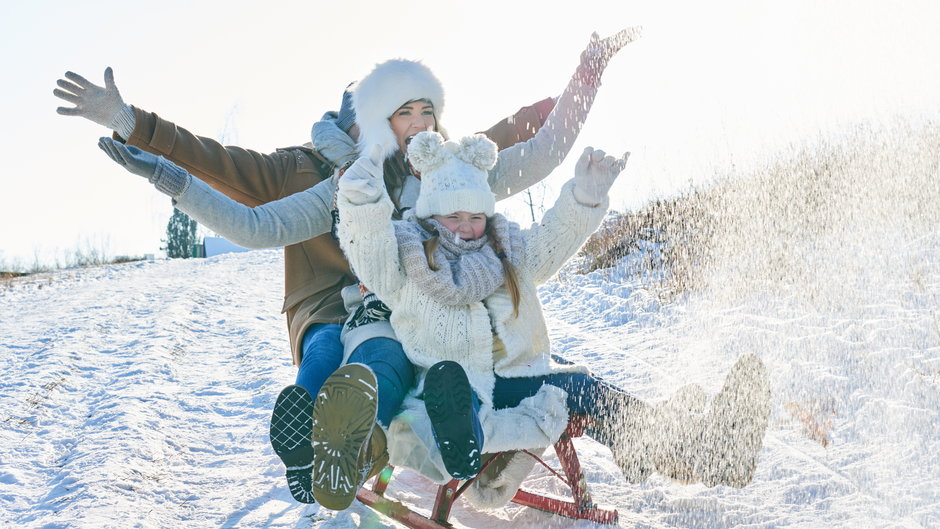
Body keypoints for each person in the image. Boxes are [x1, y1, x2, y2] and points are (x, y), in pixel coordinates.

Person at [86, 28, 642, 508]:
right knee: (370, 357)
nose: (421, 124)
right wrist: (146, 144)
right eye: (405, 113)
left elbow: (533, 148)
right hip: (361, 315)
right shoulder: (331, 180)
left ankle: (653, 435)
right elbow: (248, 216)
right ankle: (337, 450)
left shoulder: (448, 168)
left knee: (550, 372)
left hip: (461, 321)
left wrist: (586, 75)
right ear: (374, 122)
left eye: (428, 111)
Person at [333, 130, 771, 501]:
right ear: (431, 213)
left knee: (586, 389)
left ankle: (707, 447)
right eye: (453, 216)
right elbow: (368, 251)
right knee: (458, 387)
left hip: (517, 378)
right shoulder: (407, 257)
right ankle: (461, 441)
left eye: (475, 216)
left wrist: (584, 198)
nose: (466, 227)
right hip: (448, 385)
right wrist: (360, 202)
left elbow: (550, 242)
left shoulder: (505, 249)